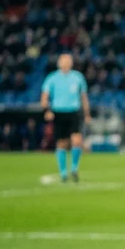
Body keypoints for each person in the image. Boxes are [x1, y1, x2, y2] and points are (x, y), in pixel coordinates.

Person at [39, 53, 90, 182]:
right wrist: (47, 110)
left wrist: (87, 113)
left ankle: (74, 168)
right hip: (59, 112)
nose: (66, 63)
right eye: (63, 61)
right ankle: (63, 173)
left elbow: (84, 97)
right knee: (61, 143)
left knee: (77, 140)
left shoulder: (78, 78)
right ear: (59, 63)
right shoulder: (52, 78)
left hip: (74, 112)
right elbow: (44, 97)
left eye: (68, 61)